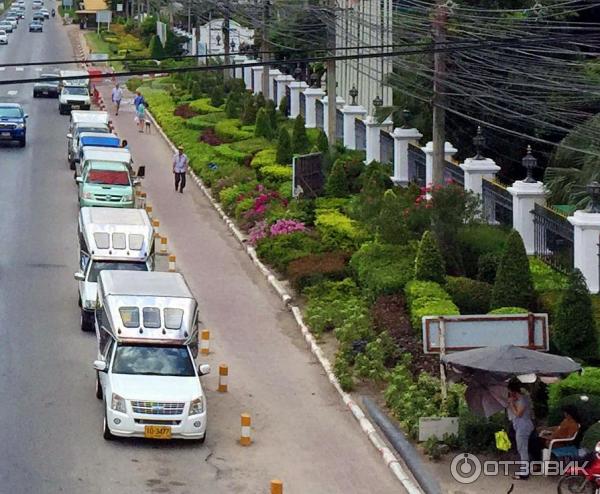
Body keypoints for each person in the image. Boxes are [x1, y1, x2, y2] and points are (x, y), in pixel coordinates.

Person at [507, 380, 534, 480]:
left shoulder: (523, 399)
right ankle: (525, 469)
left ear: (513, 390)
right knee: (522, 448)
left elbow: (518, 414)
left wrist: (512, 404)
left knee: (522, 449)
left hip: (523, 427)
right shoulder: (518, 398)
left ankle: (524, 473)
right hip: (519, 426)